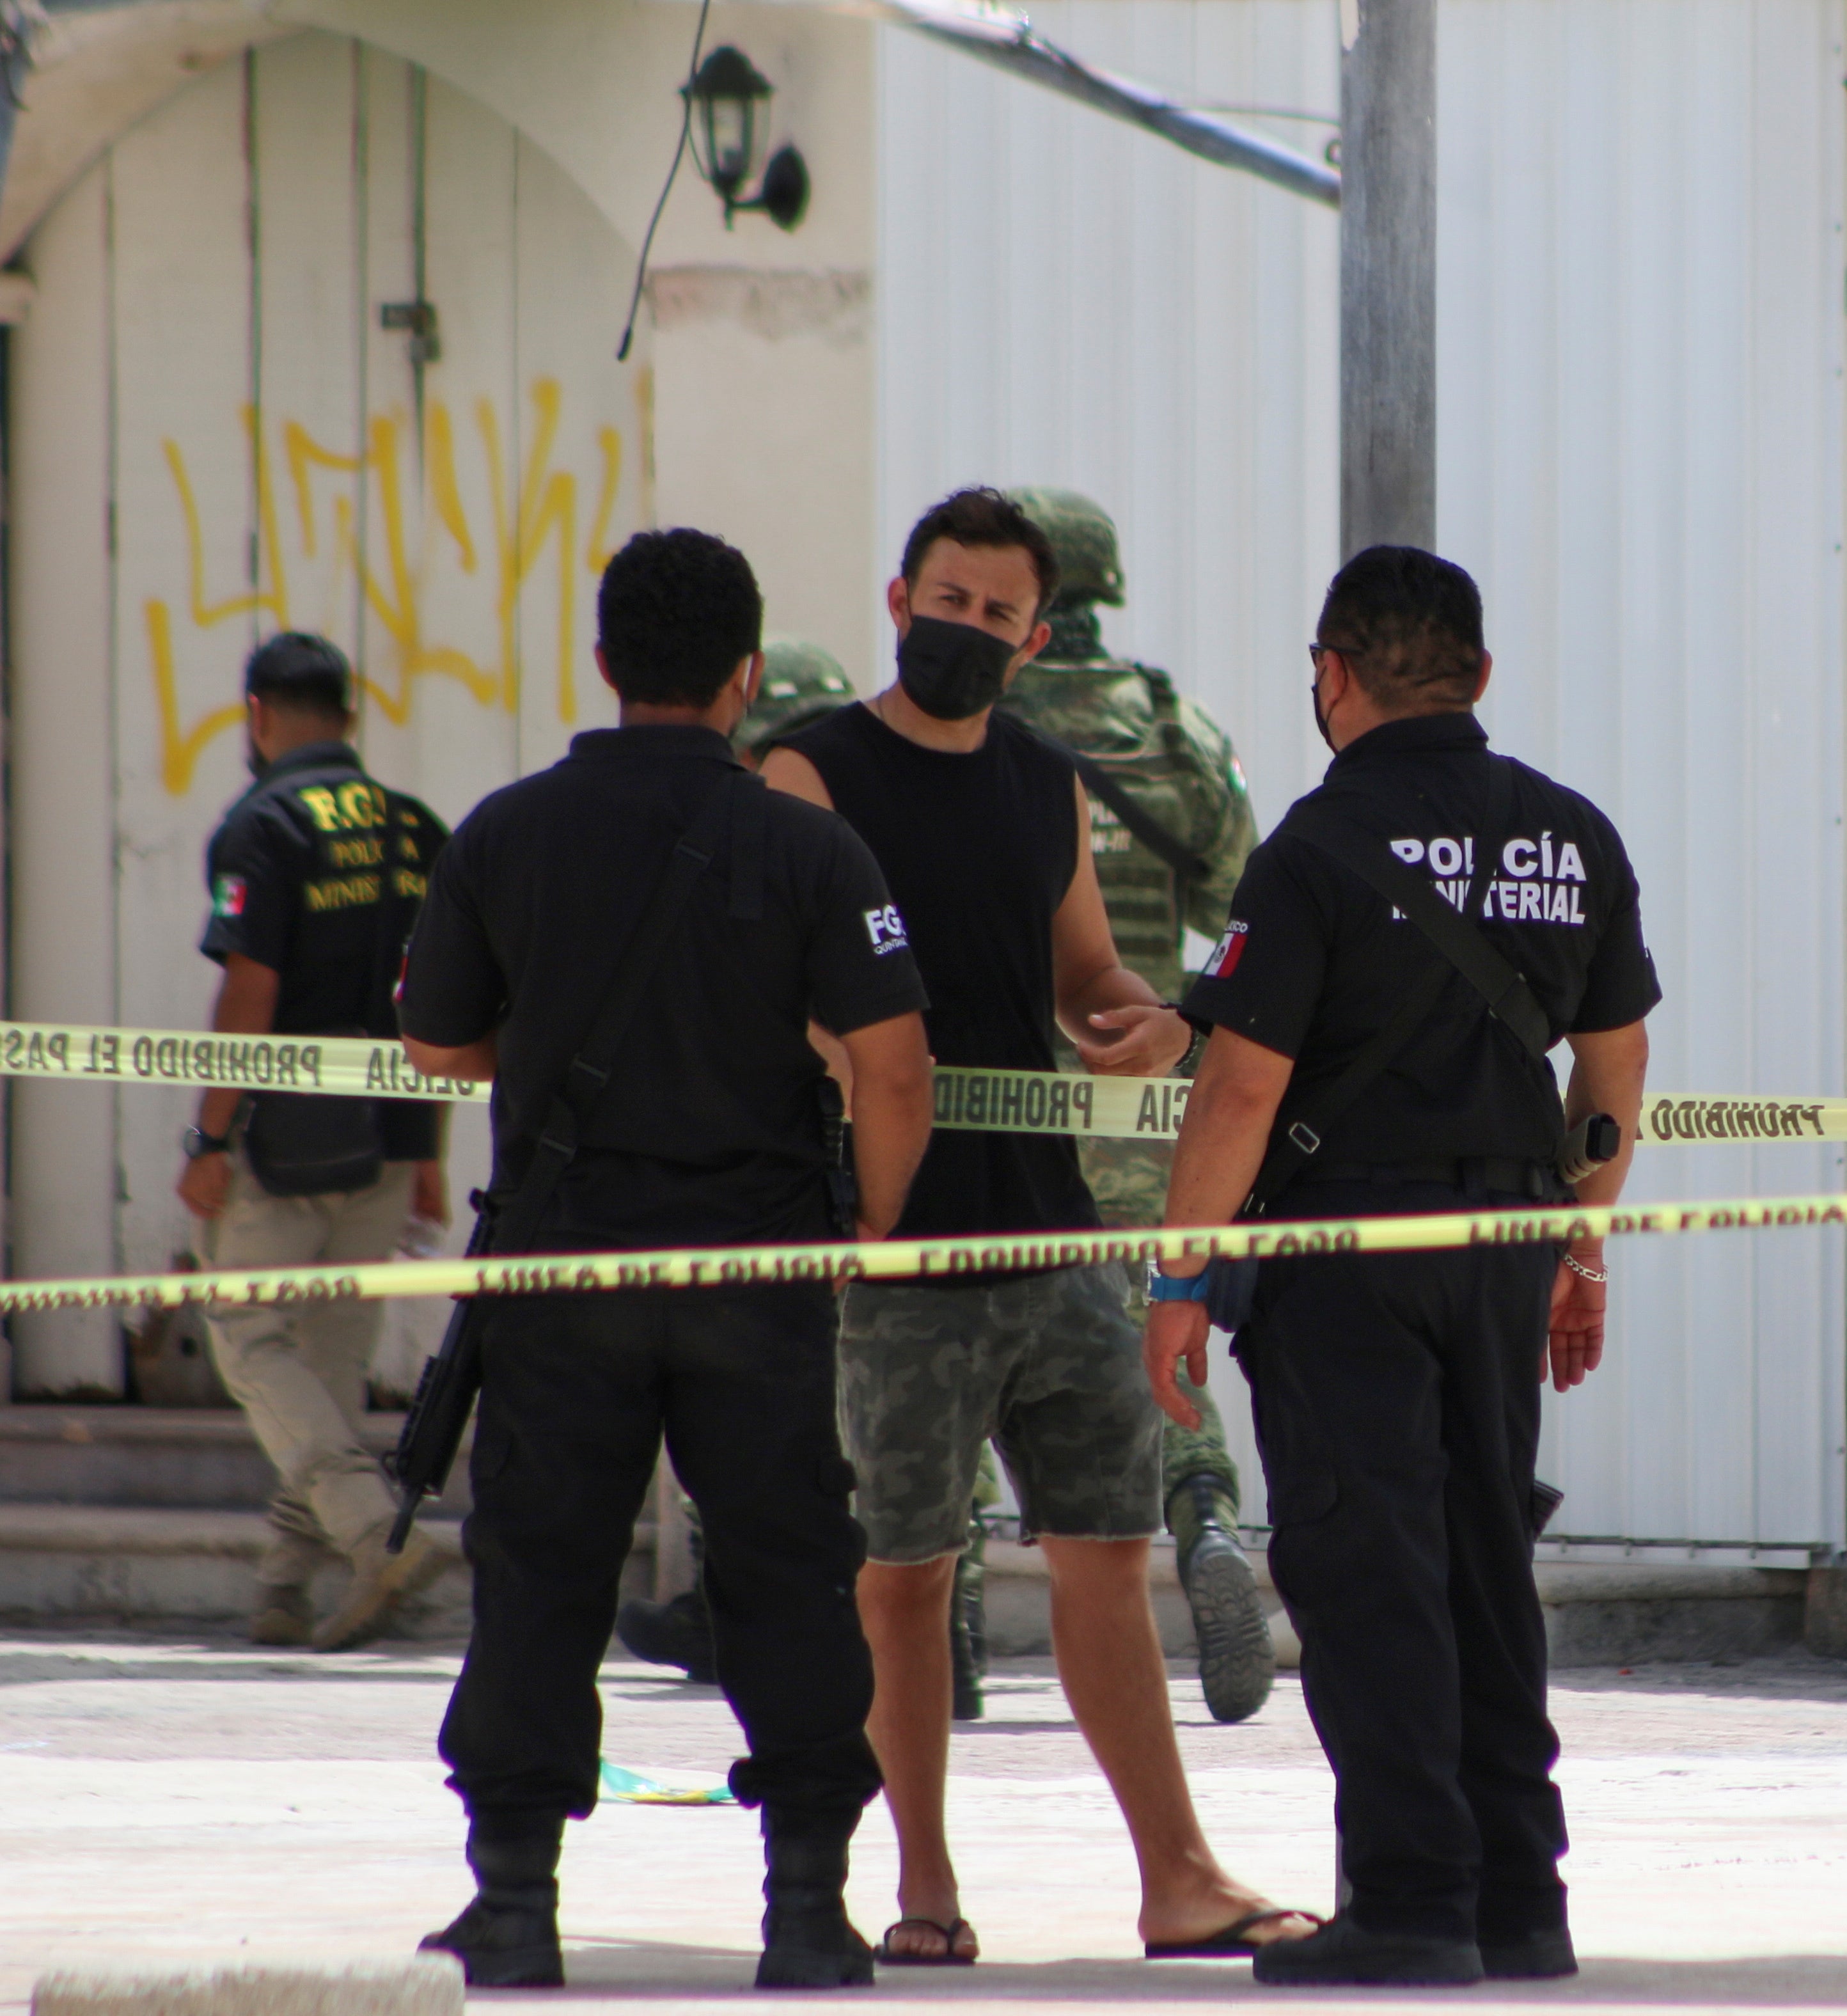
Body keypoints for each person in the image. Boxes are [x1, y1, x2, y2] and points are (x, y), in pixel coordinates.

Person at [760, 487, 1312, 1967]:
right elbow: (772, 984)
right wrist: (849, 1097)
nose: (967, 629)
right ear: (899, 598)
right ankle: (924, 1887)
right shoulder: (809, 770)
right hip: (895, 1246)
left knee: (1107, 1552)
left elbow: (1082, 975)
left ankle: (1178, 1876)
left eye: (996, 613)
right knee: (902, 1573)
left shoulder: (1043, 781)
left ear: (1035, 637)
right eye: (947, 600)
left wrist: (1148, 1022)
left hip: (1055, 1229)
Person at [397, 528, 936, 1989]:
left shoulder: (504, 832)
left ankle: (515, 1903)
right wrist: (872, 1230)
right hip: (756, 1277)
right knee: (788, 1574)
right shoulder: (811, 846)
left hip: (562, 1274)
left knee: (539, 1576)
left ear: (603, 661)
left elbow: (435, 1042)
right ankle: (807, 1911)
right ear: (746, 674)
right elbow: (895, 1066)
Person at [1145, 545, 1658, 1987]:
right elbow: (1612, 1070)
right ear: (1478, 673)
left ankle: (1413, 1903)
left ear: (1331, 674)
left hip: (1343, 1255)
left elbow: (1238, 1091)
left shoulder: (1311, 850)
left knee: (1369, 1571)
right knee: (1484, 1560)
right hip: (1503, 1245)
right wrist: (1580, 1241)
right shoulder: (1571, 833)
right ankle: (1519, 1903)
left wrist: (1179, 1281)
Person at [996, 485, 1275, 1724]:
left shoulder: (973, 730)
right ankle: (1206, 1516)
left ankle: (952, 1598)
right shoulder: (1173, 726)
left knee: (962, 1329)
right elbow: (1241, 906)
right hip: (1141, 1090)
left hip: (997, 1098)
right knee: (1149, 1324)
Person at [179, 631, 455, 1651]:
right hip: (389, 1136)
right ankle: (285, 1585)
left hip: (286, 1143)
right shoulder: (416, 828)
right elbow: (443, 1001)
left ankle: (375, 1535)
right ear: (348, 716)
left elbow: (249, 991)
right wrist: (428, 1153)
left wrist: (208, 1137)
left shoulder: (263, 824)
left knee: (247, 1329)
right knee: (330, 1364)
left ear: (257, 715)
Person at [610, 633, 859, 1692]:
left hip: (781, 1180)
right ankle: (939, 1625)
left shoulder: (777, 846)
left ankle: (739, 1616)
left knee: (774, 1431)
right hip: (828, 1180)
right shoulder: (841, 840)